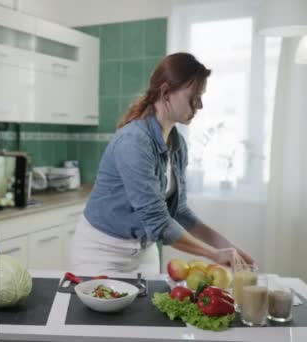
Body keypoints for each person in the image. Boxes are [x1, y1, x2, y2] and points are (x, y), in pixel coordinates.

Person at [70, 52, 255, 275]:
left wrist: (228, 247)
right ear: (166, 93)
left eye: (201, 96)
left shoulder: (178, 144)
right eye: (194, 96)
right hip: (100, 253)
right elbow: (158, 222)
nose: (200, 105)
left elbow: (179, 211)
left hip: (143, 252)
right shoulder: (134, 142)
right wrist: (214, 255)